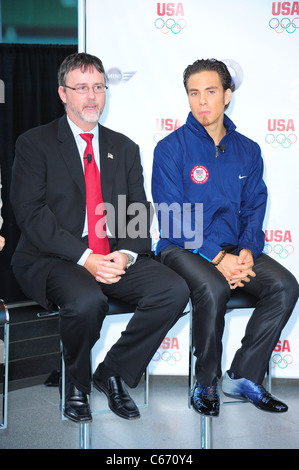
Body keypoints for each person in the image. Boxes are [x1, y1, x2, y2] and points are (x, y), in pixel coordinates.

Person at [10, 52, 189, 424]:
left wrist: (124, 255)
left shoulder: (123, 147)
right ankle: (74, 383)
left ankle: (113, 372)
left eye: (97, 87)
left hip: (111, 255)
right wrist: (85, 258)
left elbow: (137, 209)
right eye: (81, 88)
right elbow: (31, 215)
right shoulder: (35, 143)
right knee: (88, 299)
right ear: (63, 93)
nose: (91, 97)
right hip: (54, 257)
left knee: (173, 290)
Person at [152, 59, 298, 417]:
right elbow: (172, 217)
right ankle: (205, 382)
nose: (202, 101)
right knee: (214, 287)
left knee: (285, 285)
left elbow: (253, 207)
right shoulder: (171, 148)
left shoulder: (247, 150)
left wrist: (247, 250)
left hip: (234, 248)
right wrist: (218, 258)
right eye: (194, 93)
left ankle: (244, 376)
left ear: (227, 95)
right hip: (180, 247)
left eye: (211, 92)